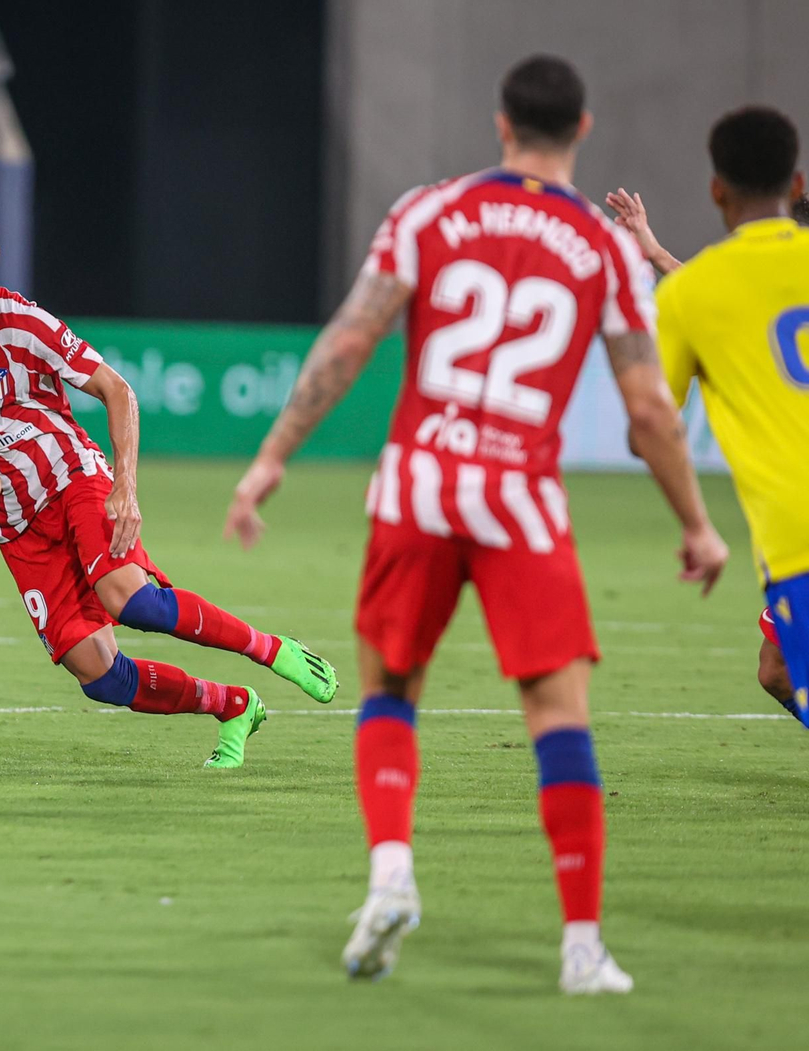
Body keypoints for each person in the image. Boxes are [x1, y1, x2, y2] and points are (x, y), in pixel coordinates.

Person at [223, 55, 727, 993]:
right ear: (581, 129)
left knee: (390, 688)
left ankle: (390, 879)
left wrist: (272, 456)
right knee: (557, 713)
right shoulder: (604, 246)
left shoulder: (428, 211)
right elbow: (651, 411)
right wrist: (697, 523)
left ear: (502, 125)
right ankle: (581, 945)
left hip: (417, 485)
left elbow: (349, 340)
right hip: (521, 501)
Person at [0, 197, 338, 771]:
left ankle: (272, 649)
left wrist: (126, 487)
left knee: (132, 600)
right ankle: (233, 706)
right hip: (14, 519)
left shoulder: (27, 323)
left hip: (72, 477)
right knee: (100, 676)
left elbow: (119, 390)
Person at [605, 183, 809, 718]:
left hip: (793, 528)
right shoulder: (762, 297)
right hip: (794, 524)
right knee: (777, 671)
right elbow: (721, 292)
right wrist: (652, 250)